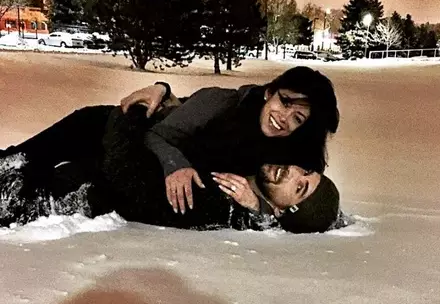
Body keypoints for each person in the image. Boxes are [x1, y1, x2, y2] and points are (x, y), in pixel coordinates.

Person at [0, 104, 340, 233]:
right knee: (86, 122)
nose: (292, 172)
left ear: (281, 211)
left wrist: (126, 115)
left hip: (51, 195)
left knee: (93, 120)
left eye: (300, 187)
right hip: (75, 169)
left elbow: (127, 177)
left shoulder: (220, 202)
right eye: (304, 170)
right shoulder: (244, 176)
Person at [120, 66, 339, 215]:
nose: (284, 118)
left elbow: (297, 209)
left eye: (297, 118)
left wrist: (256, 206)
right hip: (129, 136)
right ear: (269, 93)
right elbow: (155, 134)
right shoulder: (220, 102)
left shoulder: (287, 161)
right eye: (285, 102)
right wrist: (176, 165)